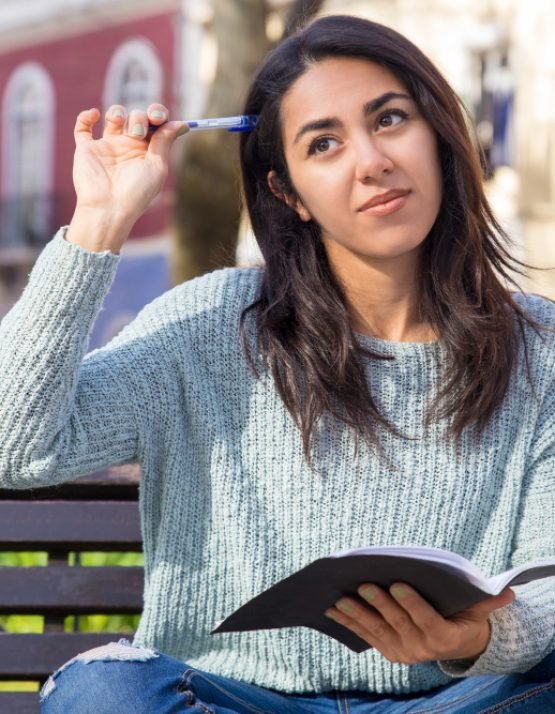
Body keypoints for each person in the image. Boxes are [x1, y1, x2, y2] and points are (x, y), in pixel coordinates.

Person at [0, 13, 553, 714]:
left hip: (455, 703)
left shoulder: (539, 349)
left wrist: (475, 639)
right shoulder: (208, 325)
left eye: (389, 120)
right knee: (104, 691)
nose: (371, 160)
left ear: (438, 136)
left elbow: (545, 587)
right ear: (288, 192)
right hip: (230, 702)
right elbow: (12, 447)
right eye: (323, 143)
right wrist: (100, 222)